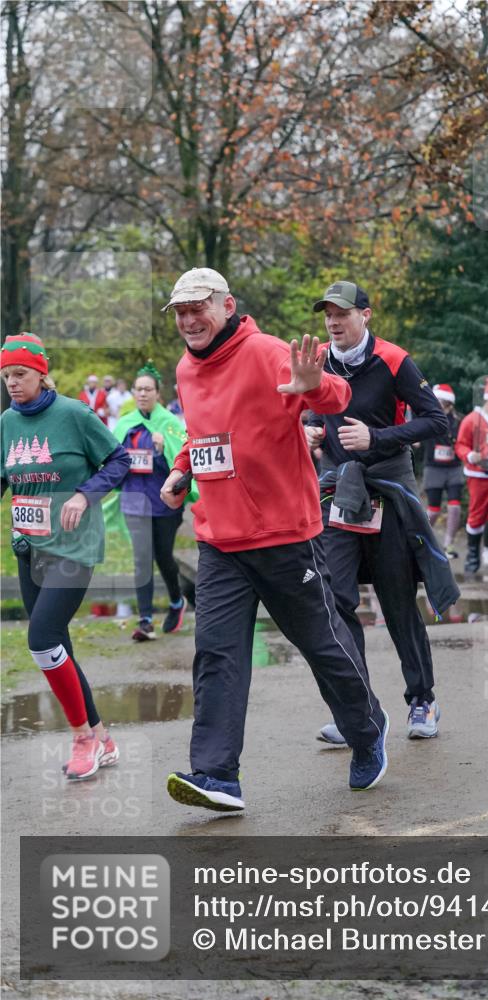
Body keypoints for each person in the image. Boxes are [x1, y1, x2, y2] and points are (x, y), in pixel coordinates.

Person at [158, 267, 388, 813]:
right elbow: (203, 432)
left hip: (284, 535)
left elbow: (334, 395)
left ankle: (366, 730)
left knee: (322, 645)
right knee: (216, 654)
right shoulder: (187, 371)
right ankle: (217, 776)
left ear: (226, 305)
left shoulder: (264, 352)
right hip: (219, 539)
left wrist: (317, 386)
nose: (190, 320)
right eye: (182, 312)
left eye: (199, 308)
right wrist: (182, 469)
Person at [306, 280, 459, 744]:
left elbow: (437, 421)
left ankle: (422, 700)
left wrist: (379, 438)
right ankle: (359, 711)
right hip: (337, 489)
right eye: (327, 315)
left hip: (388, 486)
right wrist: (310, 430)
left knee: (395, 601)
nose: (333, 322)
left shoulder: (393, 360)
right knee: (338, 603)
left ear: (365, 315)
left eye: (342, 313)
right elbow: (310, 410)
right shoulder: (318, 362)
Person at [0, 333, 131, 779]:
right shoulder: (6, 424)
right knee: (59, 645)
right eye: (5, 376)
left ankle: (82, 740)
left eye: (19, 374)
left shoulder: (74, 414)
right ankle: (102, 737)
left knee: (40, 640)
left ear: (41, 373)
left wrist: (83, 495)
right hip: (28, 548)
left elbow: (119, 460)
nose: (12, 384)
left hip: (73, 549)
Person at [112, 361, 193, 641]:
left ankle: (176, 601)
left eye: (148, 389)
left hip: (164, 503)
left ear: (158, 393)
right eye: (138, 389)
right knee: (141, 559)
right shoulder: (125, 425)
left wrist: (160, 452)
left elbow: (182, 464)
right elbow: (113, 464)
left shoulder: (169, 424)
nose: (143, 394)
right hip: (134, 501)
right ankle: (145, 620)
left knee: (163, 556)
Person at [455, 377, 488, 573]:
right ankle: (472, 556)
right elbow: (460, 444)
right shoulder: (471, 420)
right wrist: (470, 455)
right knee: (476, 516)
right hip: (478, 476)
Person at [422, 383, 464, 557]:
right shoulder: (427, 418)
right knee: (434, 509)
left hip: (454, 468)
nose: (437, 402)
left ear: (448, 402)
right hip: (433, 467)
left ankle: (448, 545)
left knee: (455, 507)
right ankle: (422, 541)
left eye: (440, 400)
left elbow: (465, 440)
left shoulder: (459, 420)